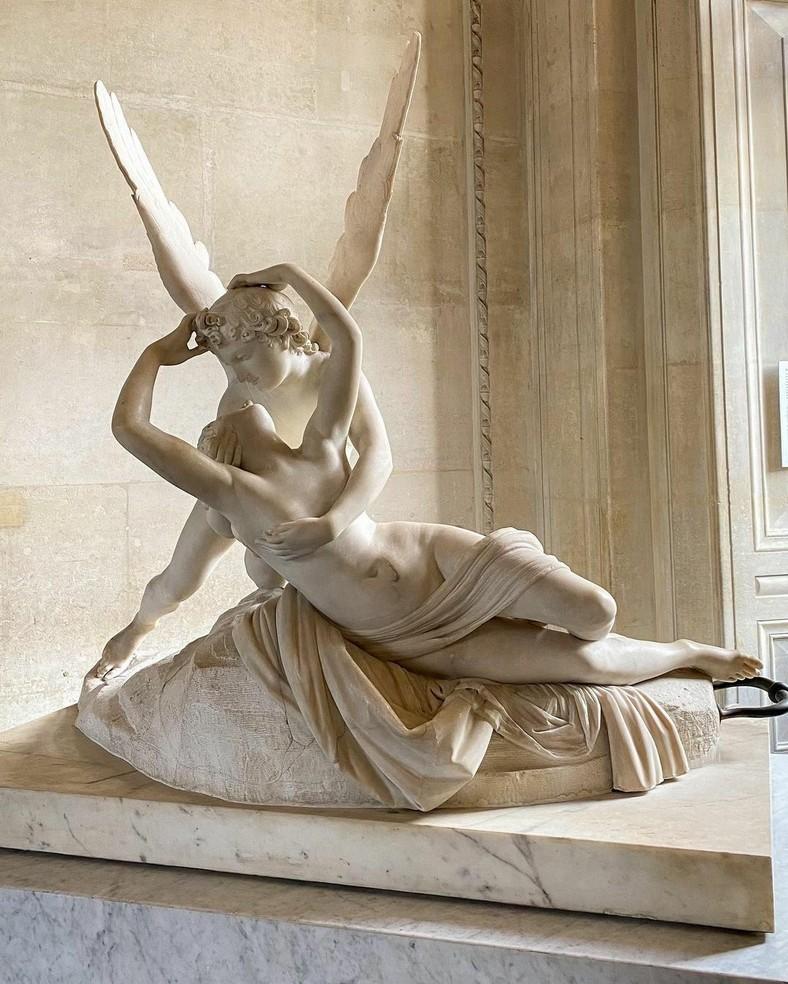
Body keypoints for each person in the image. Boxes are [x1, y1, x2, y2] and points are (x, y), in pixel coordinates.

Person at [92, 262, 762, 687]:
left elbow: (350, 347)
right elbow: (168, 543)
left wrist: (286, 274)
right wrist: (137, 630)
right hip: (403, 631)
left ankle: (653, 642)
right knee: (582, 663)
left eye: (242, 361)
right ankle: (685, 654)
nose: (238, 392)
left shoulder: (321, 444)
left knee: (596, 614)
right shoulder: (234, 496)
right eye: (230, 383)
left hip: (433, 557)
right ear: (223, 454)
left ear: (277, 335)